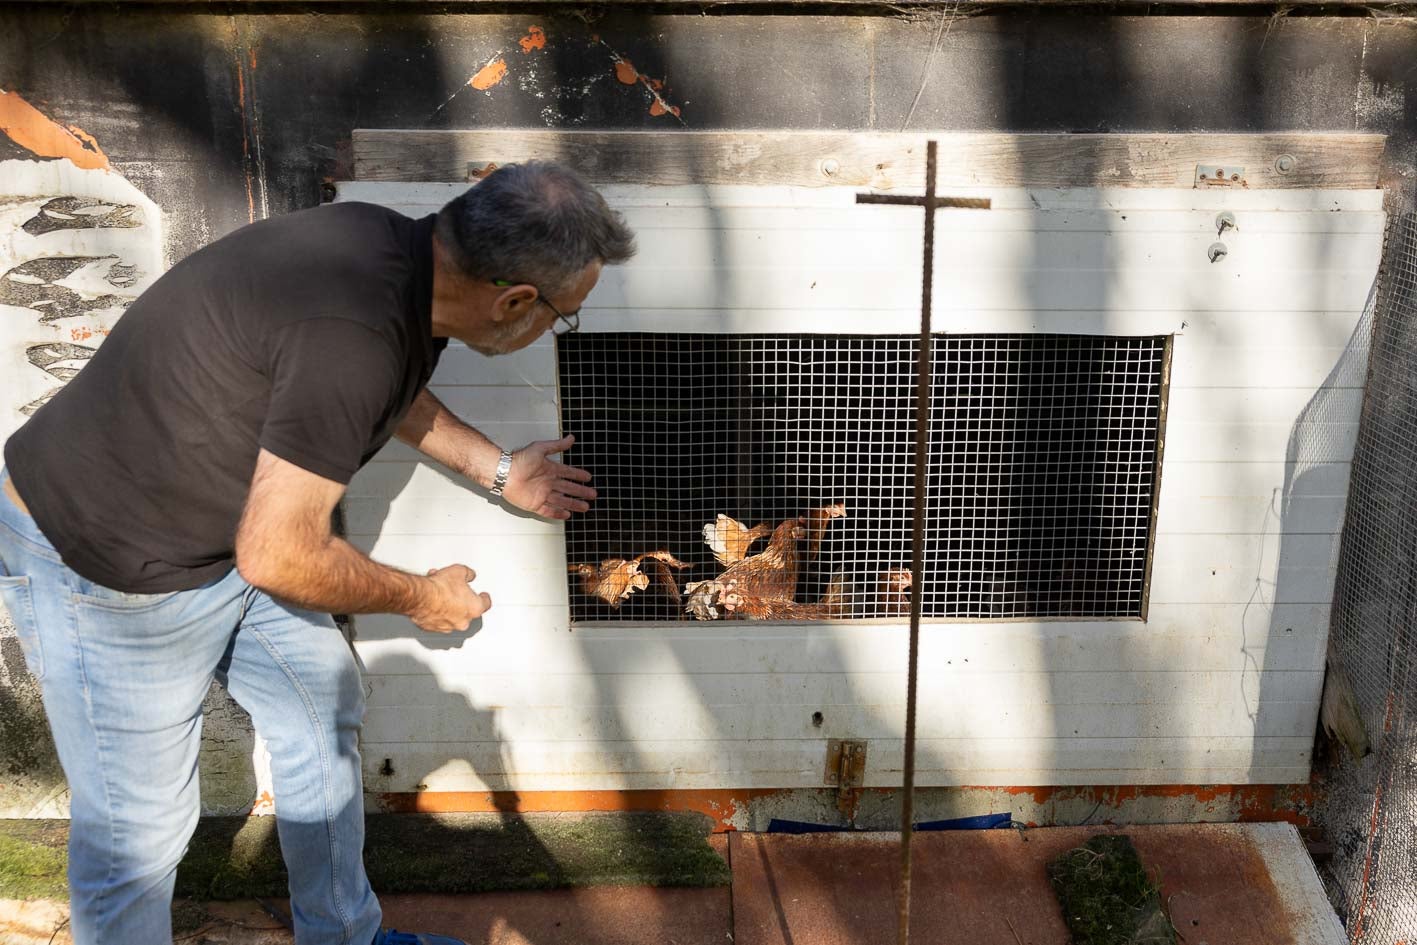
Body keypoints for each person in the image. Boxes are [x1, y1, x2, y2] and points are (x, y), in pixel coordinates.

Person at [0, 160, 636, 945]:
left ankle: (343, 937)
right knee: (139, 832)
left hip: (227, 536)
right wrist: (419, 595)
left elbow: (382, 385)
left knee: (320, 699)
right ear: (513, 301)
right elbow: (280, 551)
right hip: (114, 566)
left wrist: (499, 471)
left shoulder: (388, 254)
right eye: (562, 316)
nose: (556, 328)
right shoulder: (355, 329)